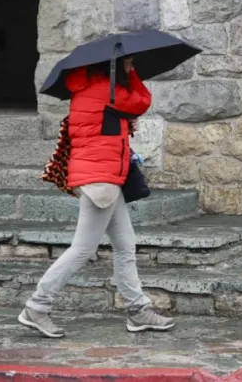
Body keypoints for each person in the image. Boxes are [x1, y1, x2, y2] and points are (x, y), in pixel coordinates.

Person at [19, 57, 175, 337]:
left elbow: (107, 128)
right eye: (125, 63)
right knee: (82, 249)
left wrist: (124, 125)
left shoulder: (87, 88)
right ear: (109, 67)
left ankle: (138, 311)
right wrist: (132, 72)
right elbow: (142, 101)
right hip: (100, 179)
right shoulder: (107, 89)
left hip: (103, 176)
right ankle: (37, 305)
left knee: (125, 245)